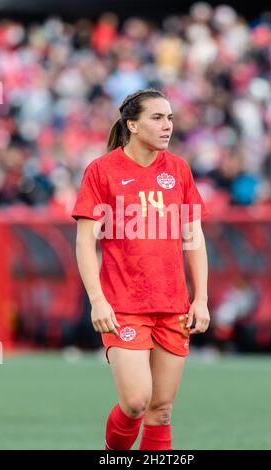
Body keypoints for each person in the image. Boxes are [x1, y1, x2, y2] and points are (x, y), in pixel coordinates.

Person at [72, 88, 210, 450]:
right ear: (131, 124)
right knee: (136, 402)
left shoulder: (178, 169)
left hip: (173, 306)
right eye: (157, 118)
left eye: (170, 118)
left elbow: (193, 239)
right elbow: (85, 242)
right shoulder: (102, 171)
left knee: (160, 410)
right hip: (124, 307)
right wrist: (97, 301)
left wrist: (202, 299)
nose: (168, 126)